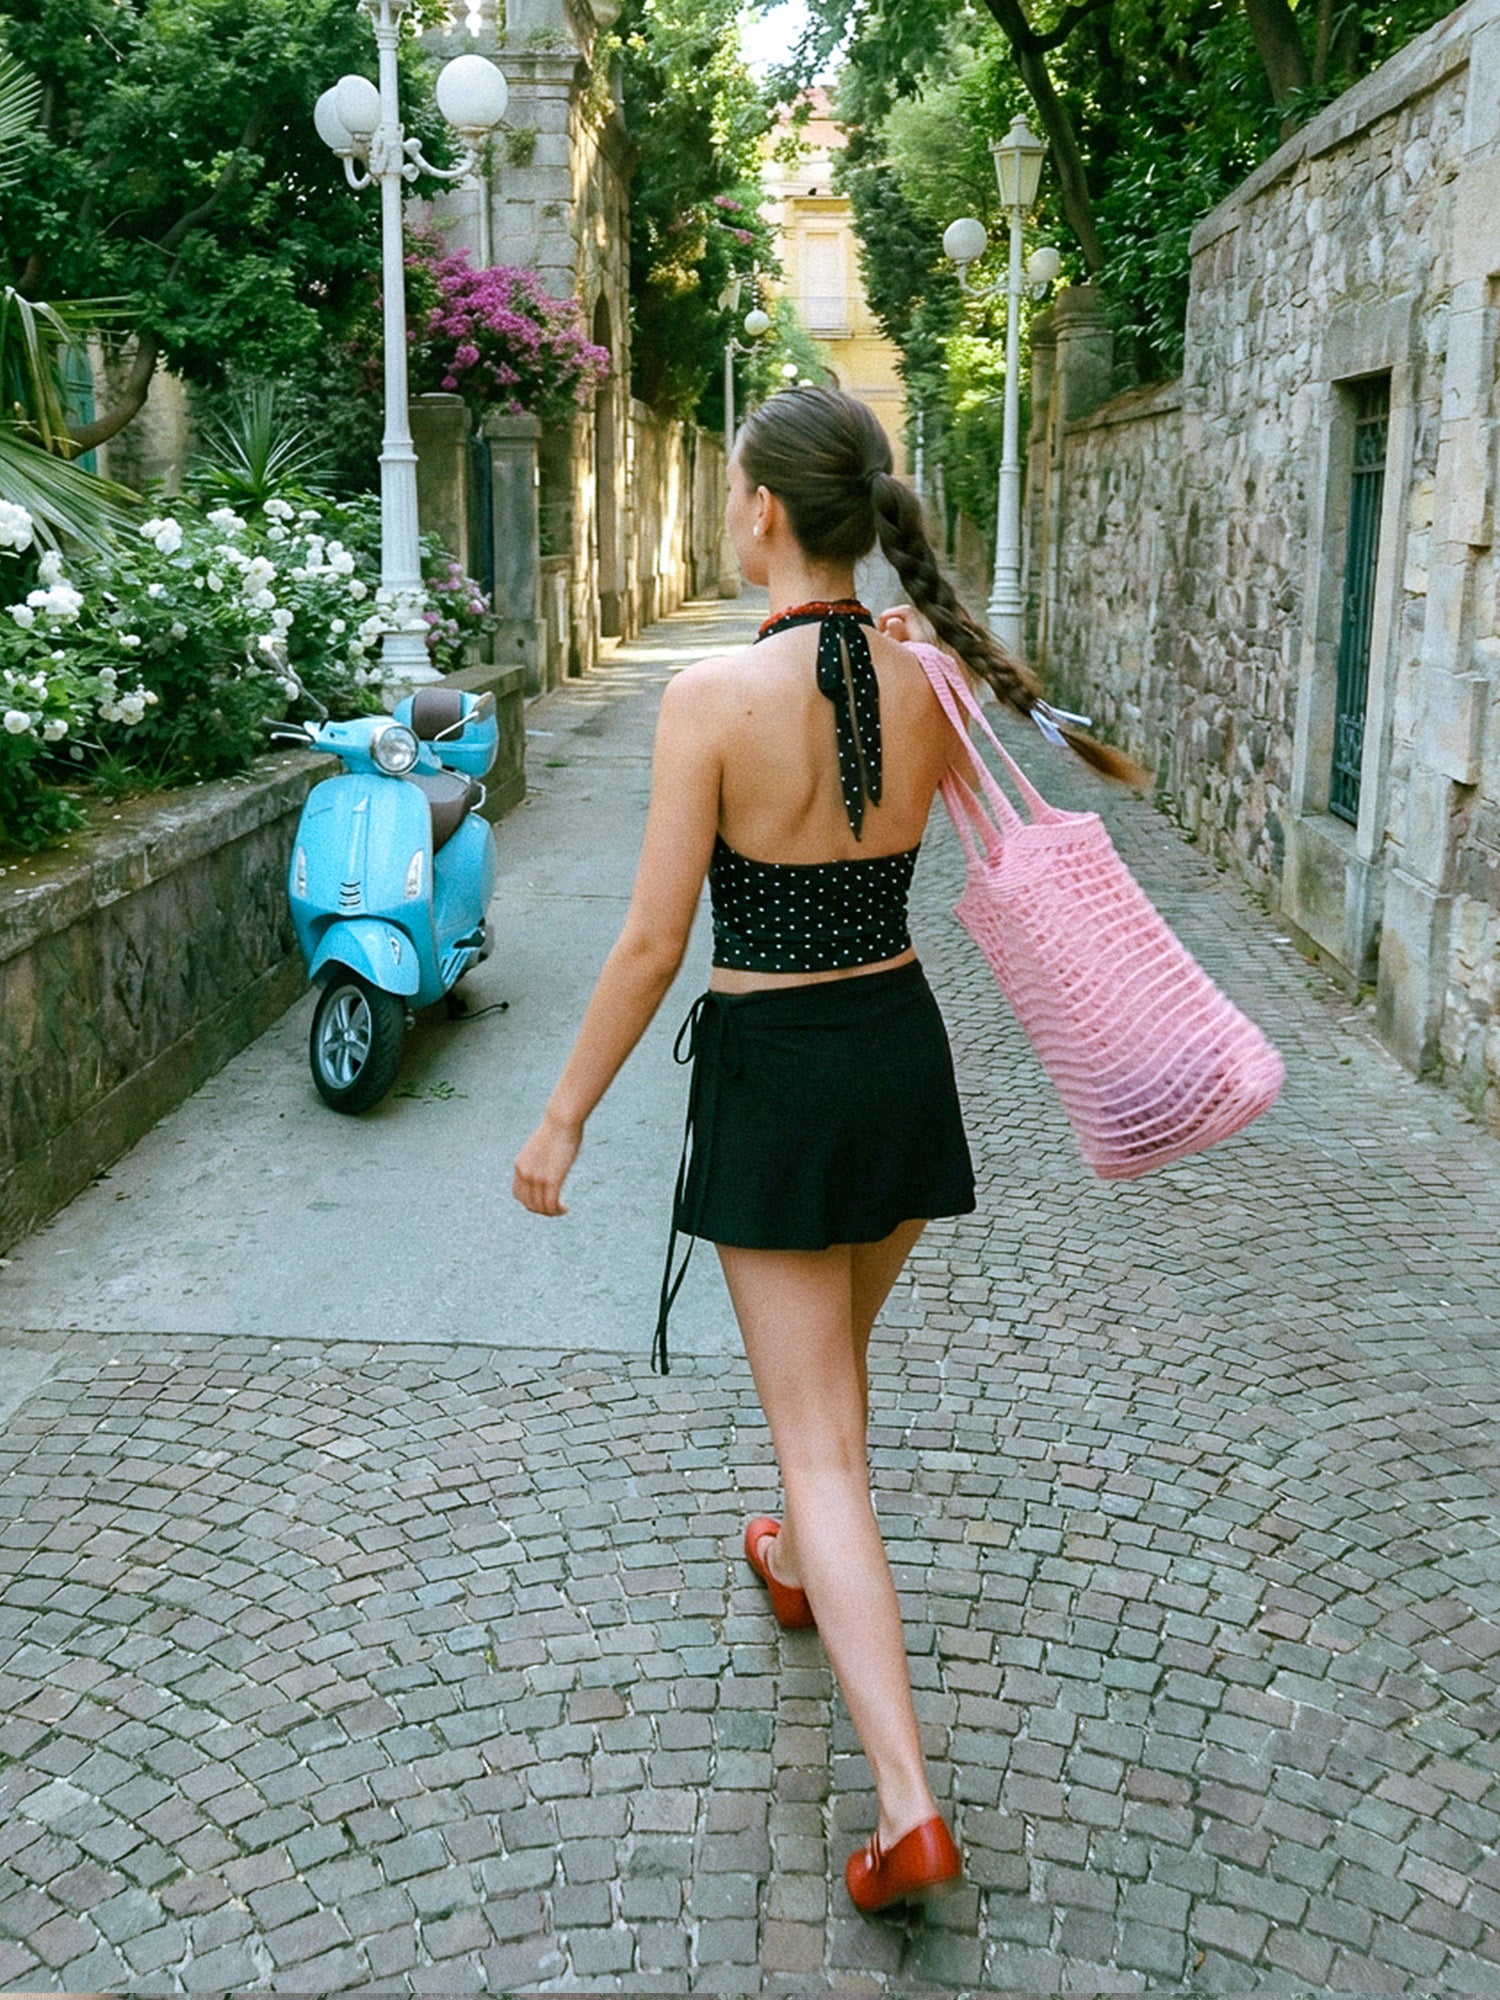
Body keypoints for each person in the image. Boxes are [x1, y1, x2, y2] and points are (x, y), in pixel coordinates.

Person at [513, 387, 1141, 1914]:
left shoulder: (711, 702)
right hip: (900, 1060)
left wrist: (564, 1113)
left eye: (734, 490)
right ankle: (793, 1560)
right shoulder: (934, 673)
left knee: (824, 1444)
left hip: (781, 1081)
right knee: (829, 1392)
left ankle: (909, 1810)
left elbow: (654, 941)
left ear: (765, 511)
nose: (730, 509)